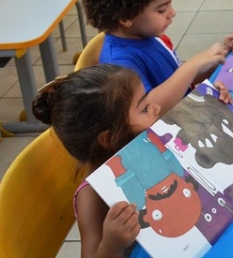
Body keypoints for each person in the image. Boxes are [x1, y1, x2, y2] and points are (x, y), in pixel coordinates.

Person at [76, 0, 233, 113]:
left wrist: (216, 59)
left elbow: (176, 82)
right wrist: (191, 66)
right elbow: (145, 109)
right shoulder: (119, 64)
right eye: (162, 9)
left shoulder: (147, 36)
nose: (172, 13)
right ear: (126, 17)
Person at [32, 64, 161, 258]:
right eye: (144, 109)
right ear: (109, 139)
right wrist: (113, 244)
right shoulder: (92, 195)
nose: (156, 109)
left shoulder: (138, 148)